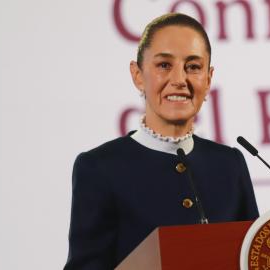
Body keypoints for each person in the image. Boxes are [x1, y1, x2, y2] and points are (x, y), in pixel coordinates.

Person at [64, 13, 259, 270]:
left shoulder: (230, 163)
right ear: (137, 75)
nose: (179, 80)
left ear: (208, 79)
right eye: (164, 65)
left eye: (193, 67)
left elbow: (254, 257)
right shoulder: (100, 168)